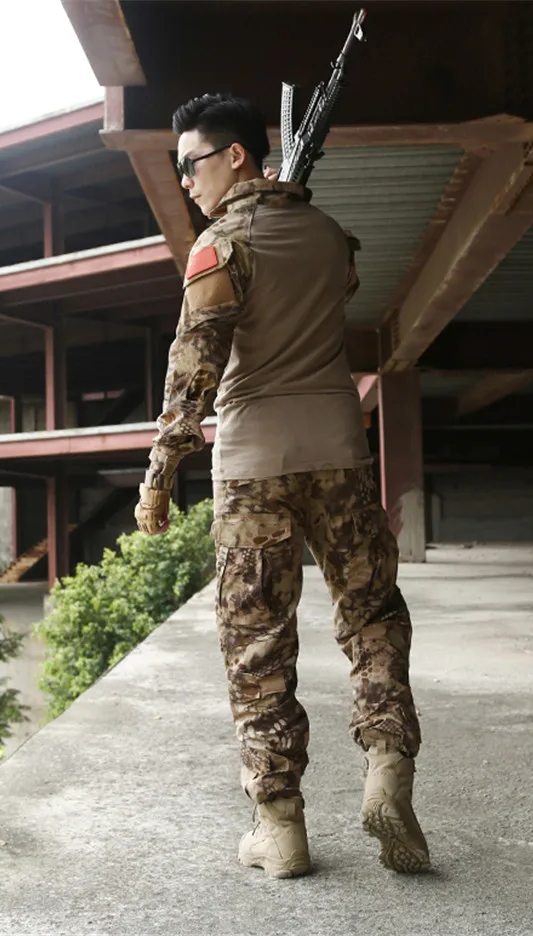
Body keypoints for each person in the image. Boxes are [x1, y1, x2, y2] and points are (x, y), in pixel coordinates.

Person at [134, 93, 429, 878]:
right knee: (372, 615)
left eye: (191, 164)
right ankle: (388, 768)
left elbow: (193, 373)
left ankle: (281, 827)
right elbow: (333, 297)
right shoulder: (331, 237)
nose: (185, 181)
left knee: (257, 641)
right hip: (340, 453)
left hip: (253, 467)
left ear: (234, 157)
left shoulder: (219, 248)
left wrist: (159, 475)